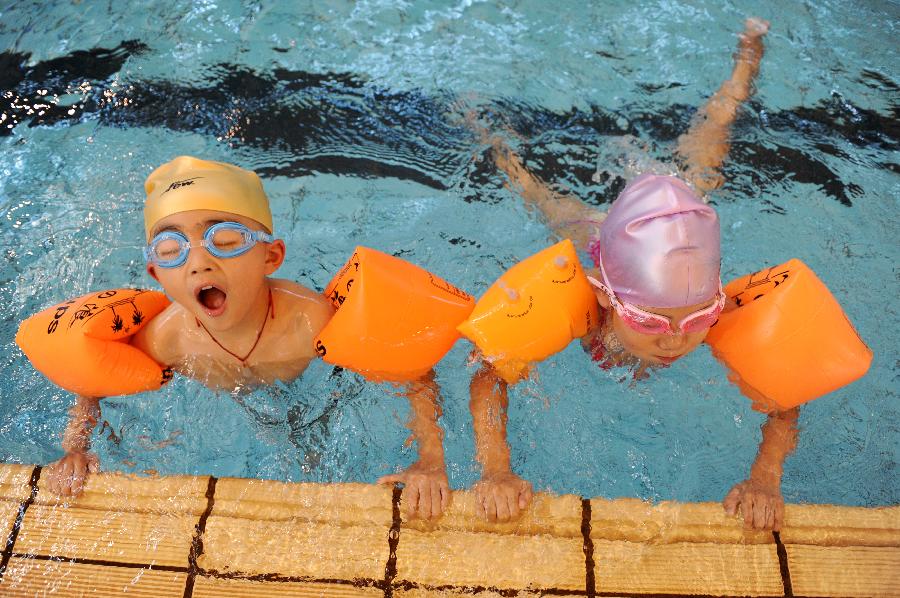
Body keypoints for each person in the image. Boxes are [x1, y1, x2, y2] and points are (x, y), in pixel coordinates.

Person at [469, 18, 797, 532]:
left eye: (696, 320)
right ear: (604, 297)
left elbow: (786, 395)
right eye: (650, 321)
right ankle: (486, 134)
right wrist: (496, 470)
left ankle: (744, 63)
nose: (674, 340)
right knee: (536, 195)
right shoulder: (582, 304)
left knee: (709, 149)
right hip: (595, 232)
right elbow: (490, 376)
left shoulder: (714, 311)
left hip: (669, 244)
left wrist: (765, 478)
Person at [44, 156, 450, 520]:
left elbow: (413, 372)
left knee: (316, 453)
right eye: (171, 249)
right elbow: (94, 379)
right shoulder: (167, 338)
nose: (200, 263)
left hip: (308, 383)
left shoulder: (311, 320)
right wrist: (75, 447)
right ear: (156, 275)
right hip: (225, 399)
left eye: (224, 241)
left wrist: (431, 460)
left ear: (270, 257)